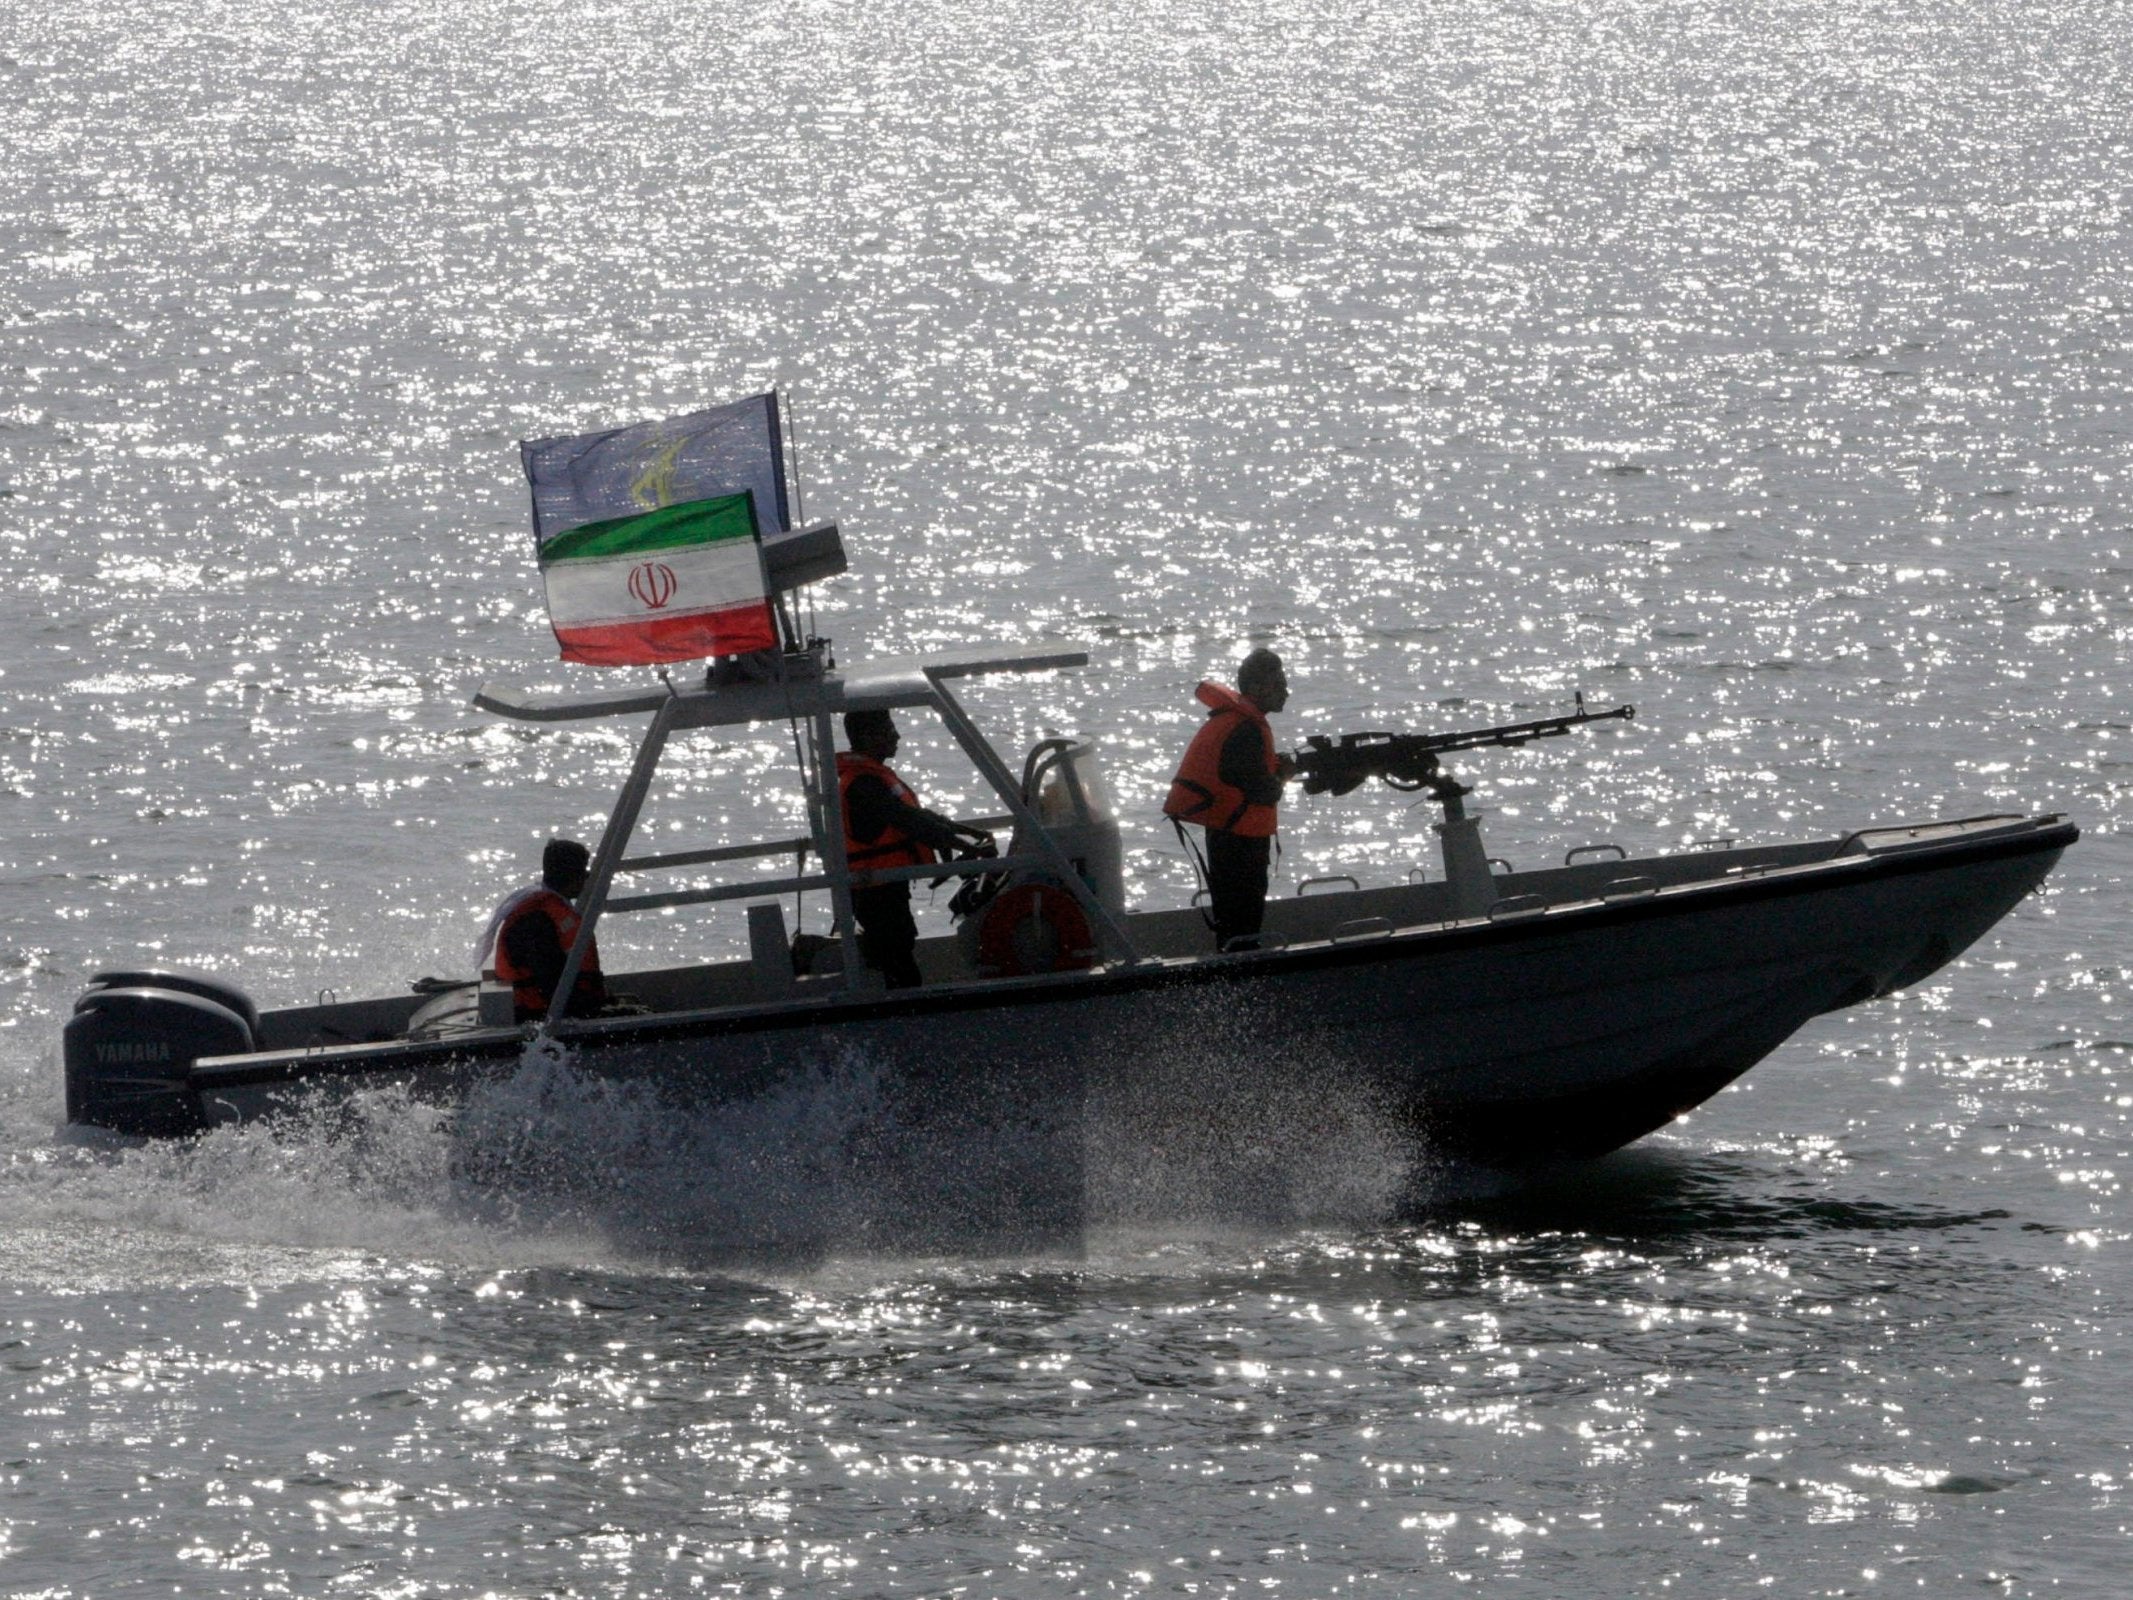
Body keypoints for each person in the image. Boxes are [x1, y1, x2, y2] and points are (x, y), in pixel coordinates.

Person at [836, 708, 991, 988]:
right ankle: (907, 1012)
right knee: (896, 956)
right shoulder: (863, 784)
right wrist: (956, 844)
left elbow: (917, 816)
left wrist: (962, 832)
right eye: (888, 730)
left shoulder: (870, 777)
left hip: (883, 887)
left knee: (898, 948)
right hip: (875, 892)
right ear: (867, 737)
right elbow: (904, 819)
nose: (896, 736)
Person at [1163, 647, 1297, 951]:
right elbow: (1261, 790)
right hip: (1239, 842)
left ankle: (1235, 972)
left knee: (1234, 921)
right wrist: (1283, 776)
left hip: (1228, 835)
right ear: (1255, 688)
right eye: (1278, 685)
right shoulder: (1245, 728)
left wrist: (1275, 766)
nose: (1285, 692)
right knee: (1242, 923)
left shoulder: (1237, 721)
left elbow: (1242, 774)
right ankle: (1241, 981)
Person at [479, 838, 608, 1022]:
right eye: (584, 872)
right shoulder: (537, 920)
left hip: (547, 1005)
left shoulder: (547, 906)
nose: (587, 878)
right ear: (574, 876)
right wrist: (590, 1011)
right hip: (535, 1013)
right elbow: (550, 981)